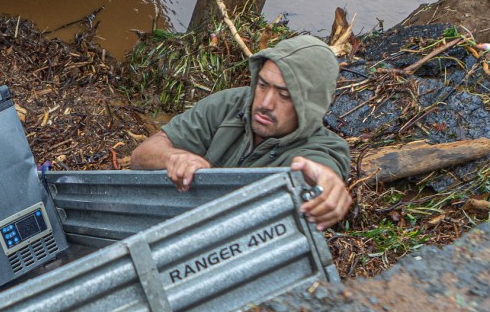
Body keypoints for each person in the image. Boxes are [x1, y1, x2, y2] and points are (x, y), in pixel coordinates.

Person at [130, 35, 352, 230]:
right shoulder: (229, 104)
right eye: (263, 85)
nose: (265, 103)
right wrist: (175, 158)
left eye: (284, 95)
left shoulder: (324, 147)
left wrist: (328, 186)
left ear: (310, 105)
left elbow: (324, 171)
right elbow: (141, 156)